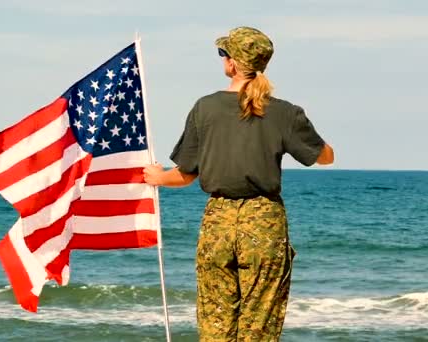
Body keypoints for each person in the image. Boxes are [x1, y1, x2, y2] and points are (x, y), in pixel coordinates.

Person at [143, 26, 334, 341]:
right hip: (264, 223)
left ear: (231, 63)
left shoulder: (205, 107)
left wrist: (155, 177)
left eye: (223, 54)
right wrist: (305, 135)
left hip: (218, 220)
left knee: (216, 318)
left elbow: (184, 175)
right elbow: (324, 157)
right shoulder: (285, 112)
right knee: (260, 319)